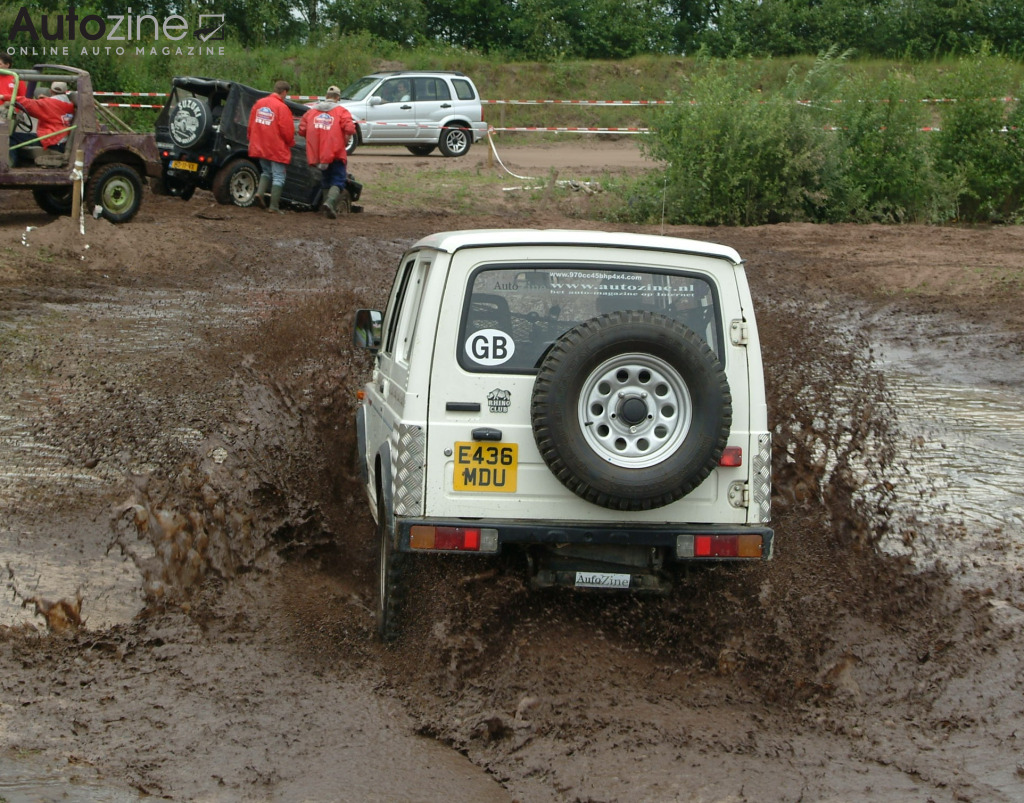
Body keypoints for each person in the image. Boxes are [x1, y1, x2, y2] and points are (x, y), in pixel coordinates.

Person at [298, 85, 356, 219]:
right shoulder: (342, 111)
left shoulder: (311, 112)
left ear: (326, 96)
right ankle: (329, 203)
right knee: (339, 179)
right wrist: (345, 139)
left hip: (318, 154)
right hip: (335, 152)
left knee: (325, 179)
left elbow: (302, 129)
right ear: (338, 98)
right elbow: (350, 128)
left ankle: (325, 208)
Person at [247, 80, 295, 213]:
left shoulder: (259, 103)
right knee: (279, 176)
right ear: (284, 92)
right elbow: (287, 130)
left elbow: (251, 125)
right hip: (276, 147)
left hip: (260, 145)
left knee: (266, 172)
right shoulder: (282, 107)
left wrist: (251, 139)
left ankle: (260, 193)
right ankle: (274, 206)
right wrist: (290, 142)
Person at [1, 80, 75, 166]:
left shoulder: (48, 103)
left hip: (51, 139)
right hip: (59, 139)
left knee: (9, 137)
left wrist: (3, 97)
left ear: (50, 90)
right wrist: (45, 99)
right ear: (65, 92)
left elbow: (27, 103)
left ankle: (8, 165)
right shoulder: (68, 104)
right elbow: (54, 106)